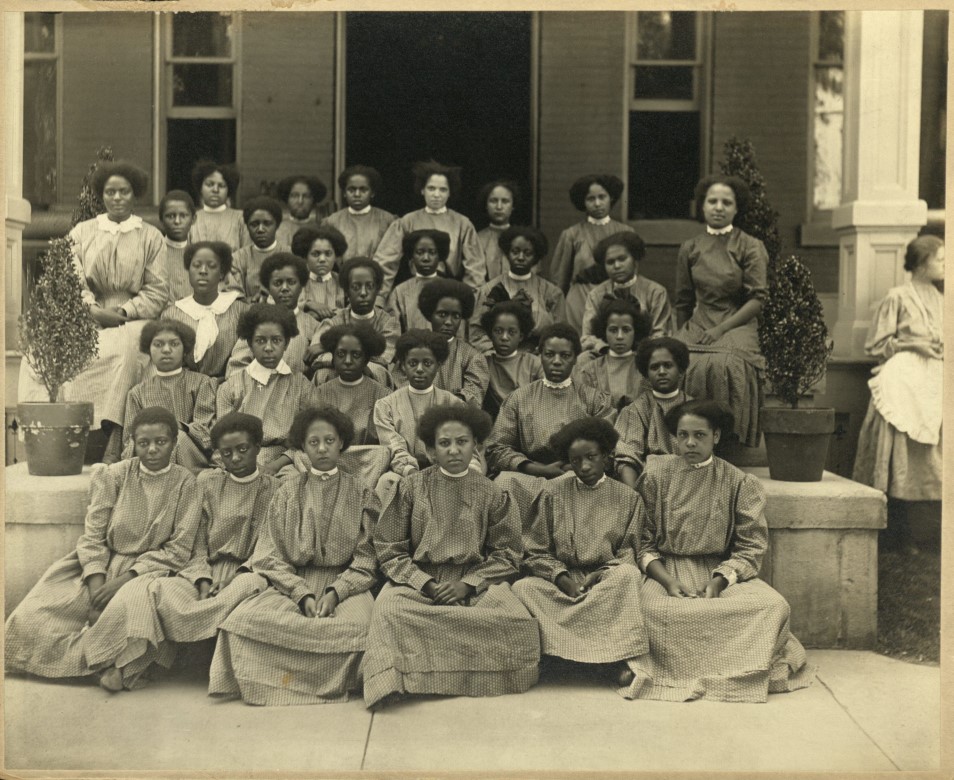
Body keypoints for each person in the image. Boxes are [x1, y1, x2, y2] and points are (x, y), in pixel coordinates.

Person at [619, 400, 813, 702]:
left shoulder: (738, 481)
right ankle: (669, 669)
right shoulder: (656, 477)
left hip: (719, 571)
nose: (690, 443)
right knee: (648, 610)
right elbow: (642, 541)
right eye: (682, 435)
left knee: (773, 607)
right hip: (666, 570)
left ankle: (731, 668)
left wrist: (719, 581)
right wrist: (668, 582)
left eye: (699, 435)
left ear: (717, 437)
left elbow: (751, 547)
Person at [5, 407, 201, 684]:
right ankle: (90, 666)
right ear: (132, 442)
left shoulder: (186, 483)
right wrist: (97, 587)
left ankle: (106, 667)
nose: (153, 450)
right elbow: (93, 535)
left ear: (174, 442)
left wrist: (121, 582)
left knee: (128, 613)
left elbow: (178, 549)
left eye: (161, 442)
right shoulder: (115, 476)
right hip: (101, 564)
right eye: (144, 443)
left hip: (146, 571)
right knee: (34, 615)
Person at [363, 403, 540, 708]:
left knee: (516, 618)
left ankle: (488, 679)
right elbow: (390, 550)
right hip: (419, 583)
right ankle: (396, 683)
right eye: (444, 443)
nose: (454, 450)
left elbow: (508, 553)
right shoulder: (410, 487)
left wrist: (469, 584)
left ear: (477, 446)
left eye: (462, 442)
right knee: (389, 612)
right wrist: (426, 584)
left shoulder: (492, 492)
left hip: (474, 582)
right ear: (431, 451)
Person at [84, 412, 278, 691]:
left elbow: (269, 545)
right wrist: (202, 579)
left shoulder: (275, 490)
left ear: (259, 447)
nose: (235, 458)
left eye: (243, 449)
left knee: (247, 587)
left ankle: (131, 664)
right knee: (152, 590)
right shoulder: (207, 484)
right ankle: (122, 665)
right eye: (226, 452)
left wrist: (238, 575)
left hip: (248, 571)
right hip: (200, 570)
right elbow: (194, 542)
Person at [210, 406, 381, 705]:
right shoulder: (287, 492)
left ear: (341, 442)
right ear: (302, 447)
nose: (322, 449)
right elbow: (268, 554)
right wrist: (302, 594)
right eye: (313, 442)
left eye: (329, 440)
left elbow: (367, 559)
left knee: (361, 631)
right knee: (241, 622)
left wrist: (335, 593)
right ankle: (277, 683)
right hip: (291, 583)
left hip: (347, 584)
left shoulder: (362, 492)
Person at [18, 160, 169, 462]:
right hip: (85, 314)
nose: (116, 198)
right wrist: (91, 310)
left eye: (123, 192)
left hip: (133, 316)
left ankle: (108, 437)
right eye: (110, 192)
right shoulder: (83, 232)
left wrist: (124, 311)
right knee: (41, 353)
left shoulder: (150, 236)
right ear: (101, 195)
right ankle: (64, 431)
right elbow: (69, 279)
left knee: (125, 350)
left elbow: (158, 290)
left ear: (134, 194)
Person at [513, 418, 646, 684]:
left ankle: (612, 658)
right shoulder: (552, 492)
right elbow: (534, 549)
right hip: (561, 580)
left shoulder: (628, 498)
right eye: (575, 461)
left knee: (628, 577)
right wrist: (561, 578)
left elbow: (628, 552)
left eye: (591, 457)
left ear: (607, 457)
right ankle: (560, 656)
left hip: (605, 579)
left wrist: (598, 575)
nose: (584, 466)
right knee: (523, 589)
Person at [853, 235, 944, 553]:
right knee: (903, 426)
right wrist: (912, 344)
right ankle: (901, 532)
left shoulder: (942, 298)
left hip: (937, 371)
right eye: (940, 259)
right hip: (904, 372)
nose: (946, 265)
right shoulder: (898, 297)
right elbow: (876, 345)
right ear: (921, 263)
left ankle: (932, 531)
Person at [486, 323, 615, 528]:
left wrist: (574, 467)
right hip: (530, 474)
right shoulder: (519, 398)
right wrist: (539, 468)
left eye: (565, 356)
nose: (556, 362)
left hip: (578, 474)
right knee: (503, 482)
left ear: (575, 358)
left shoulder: (594, 399)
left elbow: (608, 447)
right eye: (549, 354)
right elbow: (497, 448)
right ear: (540, 355)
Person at [673, 175, 768, 448]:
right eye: (712, 201)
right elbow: (683, 300)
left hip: (737, 322)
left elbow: (757, 300)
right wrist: (681, 335)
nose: (718, 207)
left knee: (723, 364)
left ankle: (726, 440)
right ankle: (675, 438)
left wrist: (721, 329)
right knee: (676, 360)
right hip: (699, 321)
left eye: (727, 202)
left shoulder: (750, 246)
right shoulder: (690, 248)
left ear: (736, 209)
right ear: (702, 206)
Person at [373, 330, 476, 503]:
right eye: (413, 363)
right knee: (387, 482)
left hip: (448, 471)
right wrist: (412, 473)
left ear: (439, 364)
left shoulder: (454, 405)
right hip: (405, 473)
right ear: (403, 366)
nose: (420, 369)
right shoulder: (385, 405)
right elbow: (393, 446)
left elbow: (466, 447)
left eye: (427, 363)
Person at [216, 304, 319, 473]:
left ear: (286, 344)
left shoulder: (301, 386)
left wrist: (275, 466)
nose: (269, 348)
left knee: (293, 482)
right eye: (260, 341)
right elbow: (224, 437)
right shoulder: (231, 387)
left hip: (284, 462)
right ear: (249, 343)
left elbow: (310, 434)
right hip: (239, 459)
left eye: (276, 340)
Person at [373, 160, 486, 301]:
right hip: (414, 291)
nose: (436, 194)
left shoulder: (462, 224)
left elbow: (475, 267)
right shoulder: (407, 221)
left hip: (449, 292)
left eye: (442, 189)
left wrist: (469, 298)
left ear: (450, 192)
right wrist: (379, 297)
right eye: (431, 188)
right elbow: (386, 261)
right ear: (422, 190)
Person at [541, 174, 635, 332]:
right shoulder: (572, 234)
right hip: (579, 302)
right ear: (583, 202)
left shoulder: (626, 232)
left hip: (616, 299)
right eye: (591, 199)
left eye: (602, 197)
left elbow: (632, 275)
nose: (597, 204)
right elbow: (559, 279)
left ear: (610, 198)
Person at [122, 319, 216, 473]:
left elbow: (205, 431)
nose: (166, 350)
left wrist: (177, 427)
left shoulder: (202, 383)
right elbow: (129, 439)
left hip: (189, 455)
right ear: (148, 350)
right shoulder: (137, 393)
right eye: (158, 344)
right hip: (151, 457)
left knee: (175, 438)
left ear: (185, 349)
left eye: (174, 344)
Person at [393, 278, 489, 407]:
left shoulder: (472, 357)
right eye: (442, 314)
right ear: (430, 314)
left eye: (455, 316)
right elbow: (401, 392)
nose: (449, 322)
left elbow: (472, 400)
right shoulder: (412, 351)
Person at [470, 226, 566, 353]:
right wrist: (496, 352)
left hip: (537, 357)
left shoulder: (551, 292)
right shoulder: (488, 289)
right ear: (507, 253)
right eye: (515, 251)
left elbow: (560, 333)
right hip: (497, 357)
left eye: (527, 253)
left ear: (536, 256)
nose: (521, 257)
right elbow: (476, 333)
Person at [161, 241, 246, 380]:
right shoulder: (172, 314)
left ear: (222, 273)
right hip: (185, 389)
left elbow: (241, 362)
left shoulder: (240, 312)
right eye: (196, 265)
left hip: (229, 389)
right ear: (189, 270)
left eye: (211, 266)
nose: (203, 271)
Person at [310, 256, 400, 386]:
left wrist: (334, 354)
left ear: (377, 290)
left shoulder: (388, 322)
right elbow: (317, 357)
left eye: (369, 286)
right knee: (323, 373)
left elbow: (383, 358)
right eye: (356, 287)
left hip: (371, 376)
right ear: (347, 291)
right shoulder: (334, 320)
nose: (363, 293)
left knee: (377, 370)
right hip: (339, 373)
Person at [615, 336, 692, 487]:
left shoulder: (694, 408)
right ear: (646, 375)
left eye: (668, 365)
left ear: (681, 371)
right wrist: (635, 497)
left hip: (689, 482)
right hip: (651, 485)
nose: (662, 372)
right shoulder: (634, 411)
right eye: (655, 367)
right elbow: (627, 458)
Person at [226, 253, 321, 376]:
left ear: (301, 286)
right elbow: (236, 367)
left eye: (291, 282)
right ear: (268, 288)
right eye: (277, 283)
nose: (285, 288)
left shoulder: (313, 326)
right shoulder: (256, 321)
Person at [580, 232, 672, 355]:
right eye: (610, 262)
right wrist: (606, 349)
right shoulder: (596, 295)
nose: (617, 266)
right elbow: (587, 337)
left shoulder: (655, 292)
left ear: (635, 259)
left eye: (622, 259)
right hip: (604, 355)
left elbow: (660, 335)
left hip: (646, 356)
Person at [312, 324, 391, 444]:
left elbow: (388, 440)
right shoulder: (320, 392)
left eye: (356, 355)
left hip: (369, 457)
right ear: (333, 357)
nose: (348, 361)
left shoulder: (382, 395)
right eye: (341, 354)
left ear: (366, 359)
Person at [577, 298, 653, 411]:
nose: (619, 336)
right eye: (613, 330)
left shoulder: (645, 368)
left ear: (636, 331)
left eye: (626, 330)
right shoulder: (591, 370)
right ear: (604, 331)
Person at [480, 300, 543, 419]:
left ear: (520, 336)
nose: (504, 337)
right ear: (490, 334)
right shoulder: (483, 363)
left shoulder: (534, 363)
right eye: (498, 331)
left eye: (511, 332)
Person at [322, 165, 396, 261]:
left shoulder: (387, 220)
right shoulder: (332, 222)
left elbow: (391, 256)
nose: (357, 194)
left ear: (372, 193)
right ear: (344, 193)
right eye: (351, 190)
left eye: (363, 189)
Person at [227, 196, 290, 302]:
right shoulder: (237, 259)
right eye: (254, 224)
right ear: (247, 226)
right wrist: (250, 300)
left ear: (277, 225)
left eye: (267, 223)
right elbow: (234, 297)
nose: (260, 229)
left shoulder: (290, 255)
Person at [386, 228, 450, 332]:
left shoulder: (450, 289)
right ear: (412, 256)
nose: (426, 258)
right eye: (420, 252)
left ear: (440, 256)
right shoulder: (400, 291)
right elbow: (391, 330)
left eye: (432, 252)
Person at [188, 160, 249, 251]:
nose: (215, 190)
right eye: (209, 184)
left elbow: (247, 253)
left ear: (229, 190)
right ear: (200, 188)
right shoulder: (191, 219)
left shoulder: (241, 218)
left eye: (221, 185)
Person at [291, 225, 347, 323]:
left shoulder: (343, 281)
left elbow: (351, 310)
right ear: (305, 256)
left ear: (335, 256)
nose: (322, 259)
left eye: (328, 254)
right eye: (315, 254)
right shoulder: (296, 281)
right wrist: (307, 304)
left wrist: (318, 315)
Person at [475, 179, 519, 280]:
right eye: (493, 201)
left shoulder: (523, 240)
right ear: (486, 205)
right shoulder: (477, 239)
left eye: (505, 201)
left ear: (513, 206)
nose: (499, 207)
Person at [159, 190, 197, 303]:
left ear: (193, 219)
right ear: (161, 220)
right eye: (170, 216)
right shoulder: (154, 252)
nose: (177, 221)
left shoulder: (200, 254)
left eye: (183, 216)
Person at [275, 174, 328, 247]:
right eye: (294, 196)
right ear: (287, 199)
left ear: (313, 201)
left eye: (306, 196)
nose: (300, 201)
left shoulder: (321, 231)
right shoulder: (277, 231)